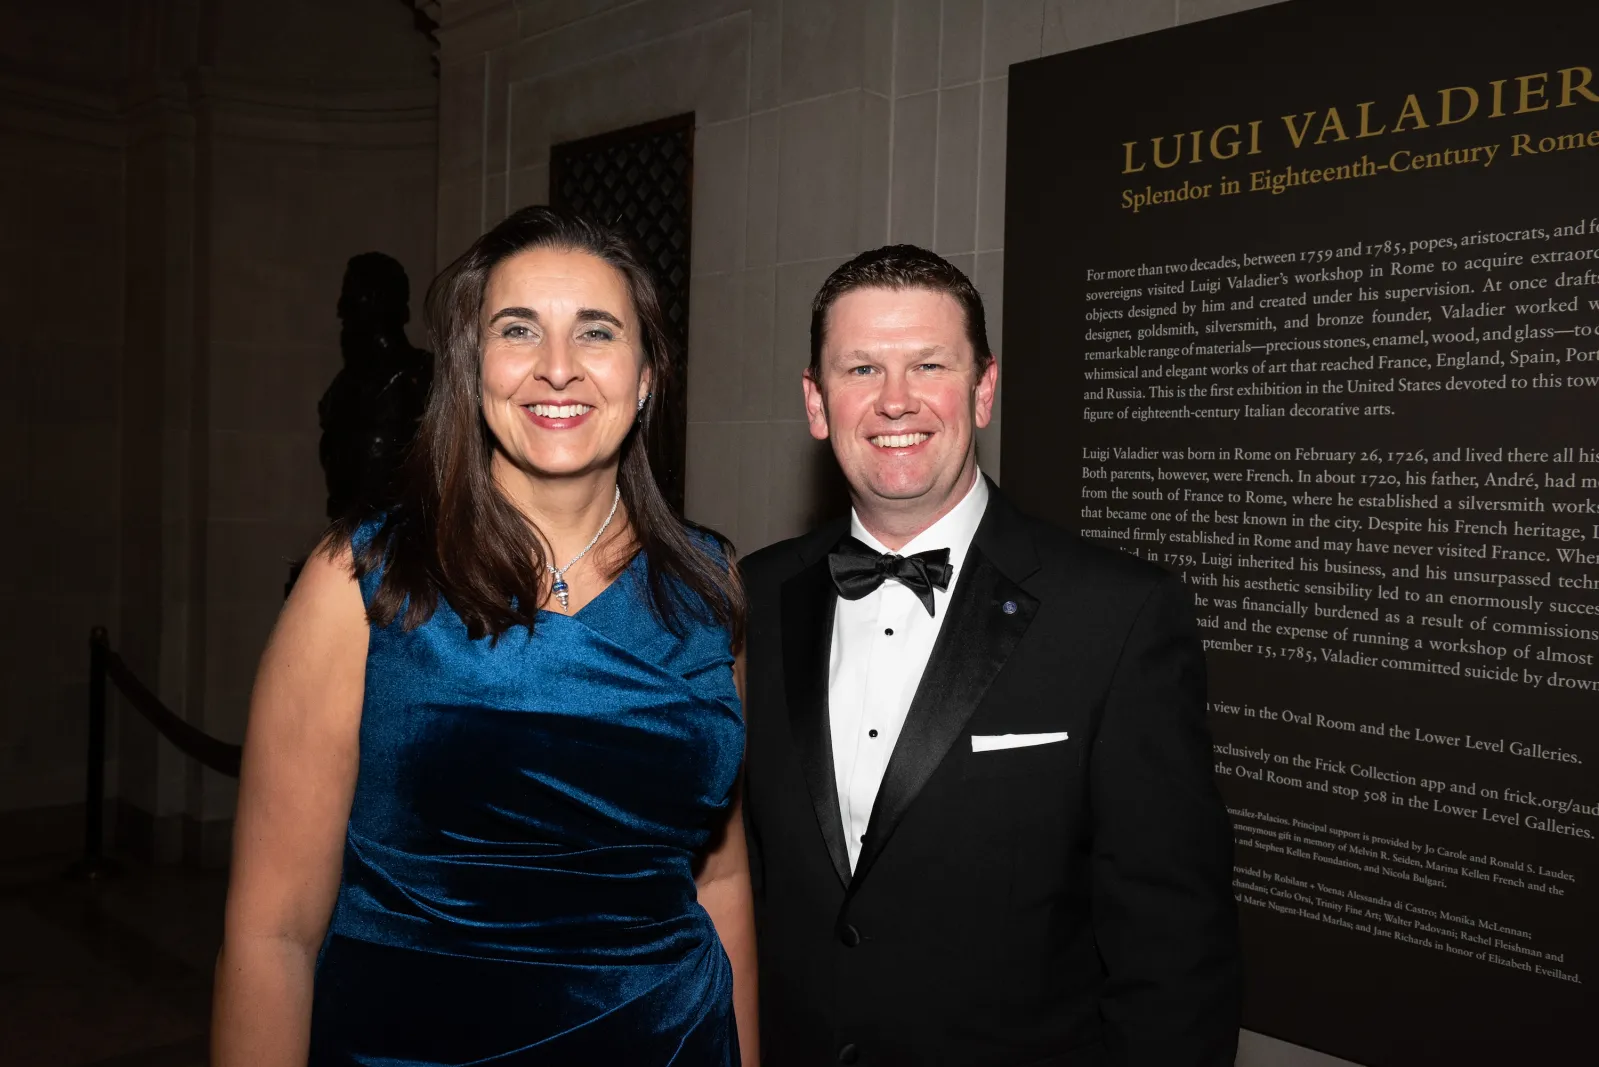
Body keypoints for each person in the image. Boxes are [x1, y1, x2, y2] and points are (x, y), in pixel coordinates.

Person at [213, 206, 757, 1066]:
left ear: (647, 374)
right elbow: (272, 933)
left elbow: (719, 878)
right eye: (517, 330)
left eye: (597, 332)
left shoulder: (708, 587)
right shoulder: (362, 580)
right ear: (471, 369)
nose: (556, 367)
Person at [740, 245, 1240, 1065]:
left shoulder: (1117, 615)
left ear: (982, 390)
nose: (894, 400)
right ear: (815, 402)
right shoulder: (748, 597)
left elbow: (1174, 946)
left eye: (928, 365)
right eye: (861, 368)